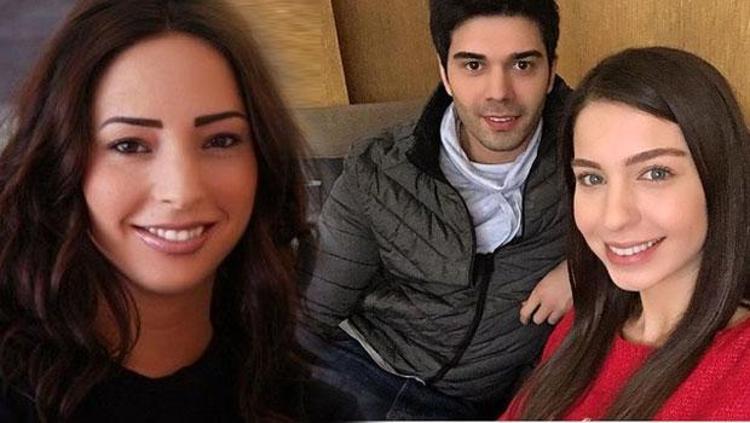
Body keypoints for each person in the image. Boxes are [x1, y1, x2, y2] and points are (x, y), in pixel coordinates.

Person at [0, 0, 357, 421]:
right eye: (129, 145)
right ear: (60, 164)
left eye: (221, 140)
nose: (182, 191)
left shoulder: (311, 409)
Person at [298, 0, 572, 419]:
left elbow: (671, 224)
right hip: (360, 367)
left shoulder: (591, 154)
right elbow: (313, 309)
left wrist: (586, 268)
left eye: (522, 65)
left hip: (464, 405)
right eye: (473, 65)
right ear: (445, 74)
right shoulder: (380, 169)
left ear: (550, 71)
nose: (499, 92)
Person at [503, 46, 750, 420]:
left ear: (719, 178)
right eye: (592, 178)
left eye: (655, 173)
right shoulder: (583, 325)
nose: (614, 217)